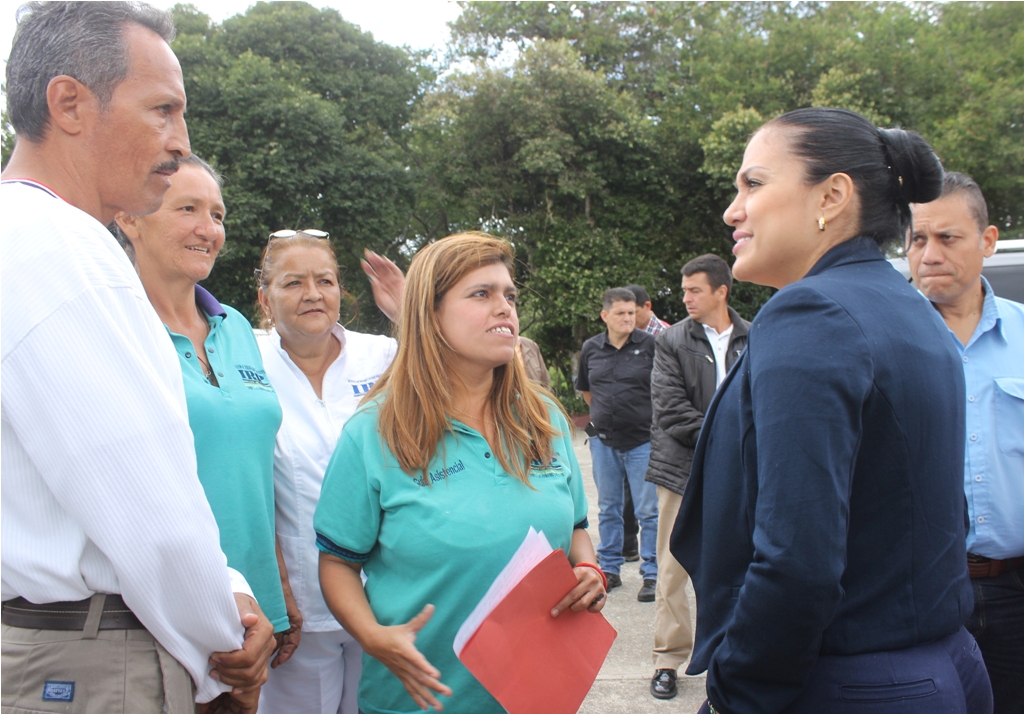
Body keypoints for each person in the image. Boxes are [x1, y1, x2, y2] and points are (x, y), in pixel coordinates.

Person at [670, 107, 991, 713]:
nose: (732, 210)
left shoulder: (812, 313)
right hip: (942, 660)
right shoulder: (905, 304)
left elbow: (798, 560)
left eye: (754, 183)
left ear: (833, 195)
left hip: (854, 681)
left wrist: (738, 690)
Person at [1, 3, 274, 713]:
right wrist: (226, 652)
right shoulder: (58, 247)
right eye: (163, 110)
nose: (181, 143)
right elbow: (145, 504)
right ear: (69, 104)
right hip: (92, 655)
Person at [314, 232, 606, 714]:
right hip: (418, 701)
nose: (504, 307)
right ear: (430, 315)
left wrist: (588, 570)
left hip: (538, 698)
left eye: (509, 295)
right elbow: (337, 561)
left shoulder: (544, 419)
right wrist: (373, 636)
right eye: (481, 294)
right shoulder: (375, 431)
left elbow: (575, 530)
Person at [112, 152, 292, 645]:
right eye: (187, 209)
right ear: (129, 217)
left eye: (217, 215)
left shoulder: (234, 325)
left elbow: (253, 469)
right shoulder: (117, 326)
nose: (209, 229)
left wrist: (278, 585)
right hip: (165, 616)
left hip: (258, 611)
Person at [255, 231, 400, 714]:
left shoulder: (382, 356)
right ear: (265, 298)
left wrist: (406, 312)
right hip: (296, 605)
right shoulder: (244, 364)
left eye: (326, 281)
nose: (313, 294)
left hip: (383, 595)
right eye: (293, 283)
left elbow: (458, 371)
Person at [906, 172, 1024, 714]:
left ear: (988, 240)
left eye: (947, 238)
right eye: (916, 239)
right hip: (917, 592)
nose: (929, 254)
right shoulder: (883, 341)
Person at [645, 254, 749, 700]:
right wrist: (731, 436)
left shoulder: (756, 335)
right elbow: (669, 409)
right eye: (684, 290)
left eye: (694, 290)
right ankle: (669, 660)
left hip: (744, 471)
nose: (685, 298)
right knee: (672, 569)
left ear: (721, 291)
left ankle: (736, 655)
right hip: (682, 471)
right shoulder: (671, 341)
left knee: (743, 565)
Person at [577, 288, 659, 601]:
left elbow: (664, 387)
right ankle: (610, 569)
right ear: (605, 316)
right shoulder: (591, 348)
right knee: (609, 509)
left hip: (642, 442)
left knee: (648, 511)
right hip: (604, 442)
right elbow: (586, 391)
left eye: (631, 312)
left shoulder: (650, 345)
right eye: (621, 313)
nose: (628, 318)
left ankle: (650, 573)